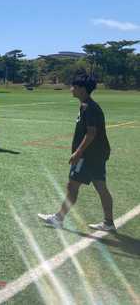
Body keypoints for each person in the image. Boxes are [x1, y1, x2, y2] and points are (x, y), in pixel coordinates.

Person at [38, 74, 114, 231]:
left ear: (82, 89)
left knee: (72, 186)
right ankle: (108, 223)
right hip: (97, 154)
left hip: (88, 155)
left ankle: (58, 218)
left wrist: (78, 153)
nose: (71, 89)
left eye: (74, 86)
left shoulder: (89, 107)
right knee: (100, 186)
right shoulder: (87, 105)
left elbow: (91, 133)